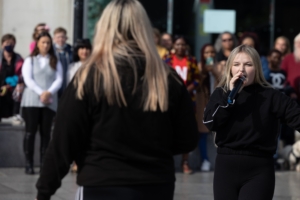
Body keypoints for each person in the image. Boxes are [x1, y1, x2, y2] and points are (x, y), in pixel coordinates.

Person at [36, 1, 198, 200]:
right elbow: (187, 138)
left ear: (105, 28)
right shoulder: (167, 78)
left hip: (101, 183)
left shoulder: (89, 76)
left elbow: (63, 141)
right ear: (144, 29)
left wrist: (43, 192)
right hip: (155, 185)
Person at [203, 45, 300, 200]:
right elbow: (210, 122)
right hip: (226, 168)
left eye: (248, 65)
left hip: (259, 169)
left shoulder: (272, 96)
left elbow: (296, 116)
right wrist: (229, 98)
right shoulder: (221, 94)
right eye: (236, 65)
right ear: (230, 69)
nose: (241, 69)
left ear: (257, 68)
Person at [21, 32, 63, 175]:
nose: (45, 45)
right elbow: (28, 79)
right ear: (37, 44)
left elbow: (59, 79)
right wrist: (41, 92)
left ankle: (44, 163)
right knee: (30, 132)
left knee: (46, 134)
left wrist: (49, 92)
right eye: (43, 42)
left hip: (49, 102)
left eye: (48, 43)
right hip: (32, 101)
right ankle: (29, 163)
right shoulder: (30, 60)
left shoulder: (54, 59)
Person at [164, 35, 200, 174]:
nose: (180, 47)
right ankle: (168, 160)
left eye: (183, 44)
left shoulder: (191, 60)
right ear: (173, 45)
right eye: (178, 44)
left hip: (188, 99)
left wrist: (186, 90)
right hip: (170, 99)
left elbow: (197, 79)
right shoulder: (167, 59)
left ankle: (185, 162)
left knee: (186, 127)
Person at [196, 44, 221, 171]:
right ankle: (205, 159)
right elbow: (196, 85)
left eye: (212, 52)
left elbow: (224, 82)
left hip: (217, 104)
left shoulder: (220, 66)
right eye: (206, 53)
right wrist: (203, 73)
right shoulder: (199, 66)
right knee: (203, 133)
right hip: (203, 104)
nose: (209, 55)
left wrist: (214, 71)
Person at [0, 34, 24, 123]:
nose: (9, 45)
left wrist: (8, 86)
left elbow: (21, 75)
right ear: (2, 44)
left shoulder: (18, 58)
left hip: (12, 87)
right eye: (7, 43)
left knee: (19, 89)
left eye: (12, 43)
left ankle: (16, 114)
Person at [53, 27, 73, 98]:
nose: (60, 39)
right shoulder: (51, 51)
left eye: (63, 37)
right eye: (58, 37)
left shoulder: (71, 51)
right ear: (54, 38)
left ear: (66, 38)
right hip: (54, 83)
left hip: (67, 82)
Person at [281, 33, 300, 103]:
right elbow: (283, 76)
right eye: (297, 43)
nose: (299, 45)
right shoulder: (288, 58)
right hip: (291, 95)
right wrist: (290, 91)